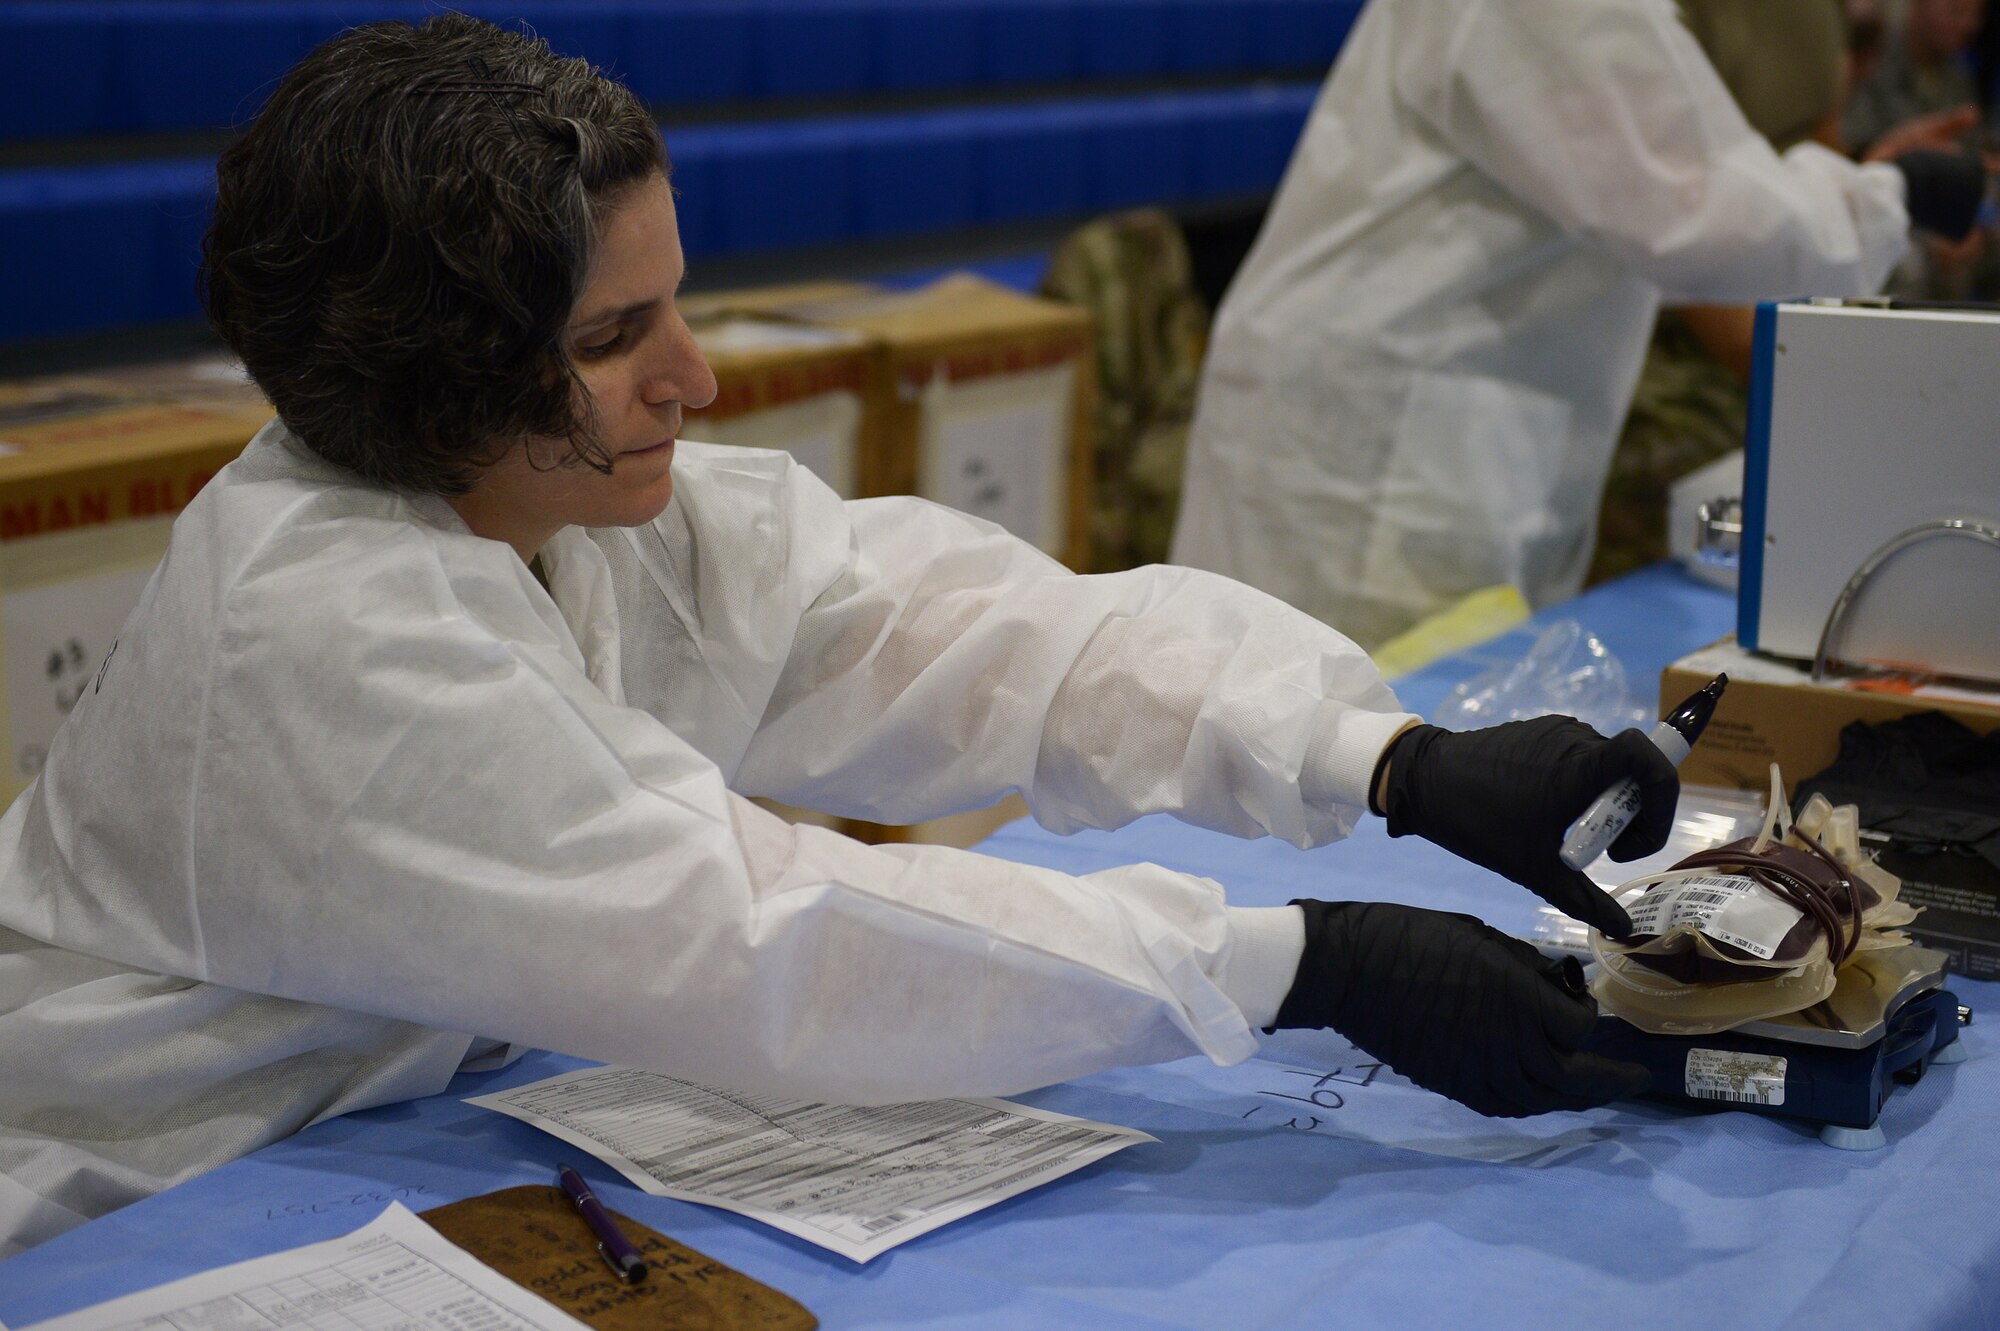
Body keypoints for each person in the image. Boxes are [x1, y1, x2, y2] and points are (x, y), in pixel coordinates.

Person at [0, 14, 1674, 1258]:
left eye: (676, 304)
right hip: (136, 1207)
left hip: (396, 1126)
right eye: (618, 336)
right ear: (433, 371)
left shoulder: (529, 492)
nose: (697, 378)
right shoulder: (322, 638)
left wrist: (1383, 759)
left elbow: (953, 631)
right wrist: (1303, 962)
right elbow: (763, 938)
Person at [1169, 0, 1987, 651]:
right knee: (1318, 780)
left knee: (1373, 773)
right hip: (1363, 467)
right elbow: (1697, 218)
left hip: (1420, 440)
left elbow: (1656, 202)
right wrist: (1888, 196)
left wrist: (1863, 190)